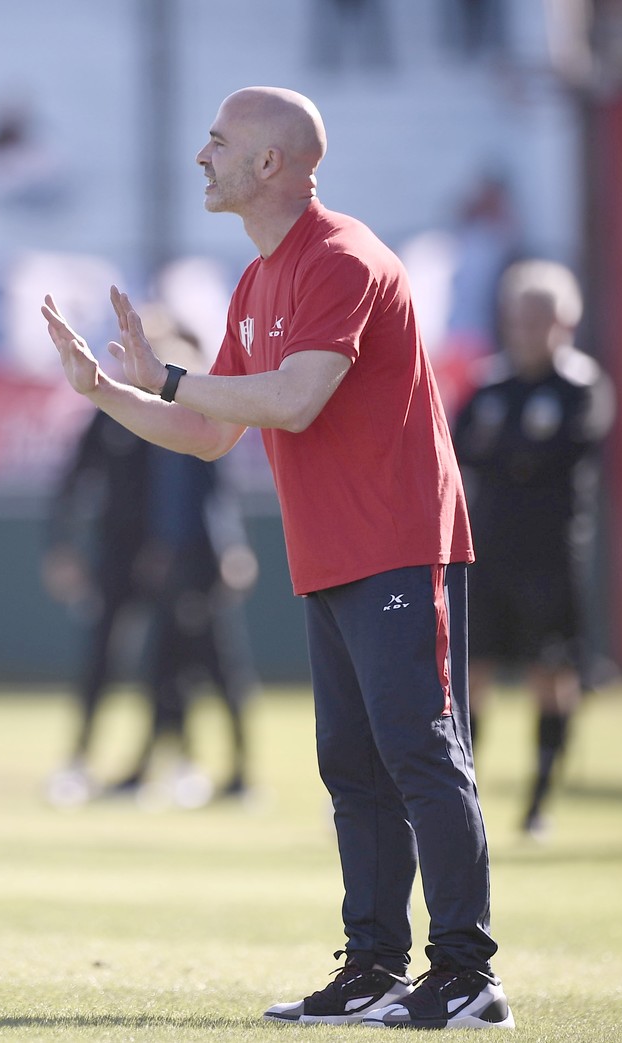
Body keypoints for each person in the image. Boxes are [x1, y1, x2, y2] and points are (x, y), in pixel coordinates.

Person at [41, 86, 511, 1030]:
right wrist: (103, 393)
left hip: (398, 540)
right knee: (351, 761)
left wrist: (166, 374)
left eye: (218, 141)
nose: (202, 155)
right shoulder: (257, 281)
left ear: (270, 164)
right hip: (334, 551)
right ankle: (375, 963)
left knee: (419, 748)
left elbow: (293, 400)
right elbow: (209, 431)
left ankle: (466, 972)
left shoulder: (343, 258)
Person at [452, 259, 614, 839]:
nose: (527, 331)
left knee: (552, 673)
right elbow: (458, 447)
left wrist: (511, 460)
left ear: (565, 322)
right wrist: (514, 460)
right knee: (473, 675)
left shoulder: (581, 385)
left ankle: (538, 803)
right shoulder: (490, 385)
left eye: (539, 320)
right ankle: (464, 797)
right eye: (518, 319)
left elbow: (563, 452)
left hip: (551, 556)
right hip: (489, 553)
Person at [108, 314, 261, 806]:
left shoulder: (202, 419)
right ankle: (155, 767)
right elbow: (157, 503)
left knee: (219, 670)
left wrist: (231, 551)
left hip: (202, 565)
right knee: (164, 668)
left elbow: (216, 496)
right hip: (172, 563)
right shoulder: (155, 428)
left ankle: (240, 775)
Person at [41, 406, 155, 806]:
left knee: (174, 663)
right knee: (100, 659)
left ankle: (158, 763)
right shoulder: (111, 412)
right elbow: (71, 480)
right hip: (115, 557)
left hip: (170, 557)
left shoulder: (184, 405)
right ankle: (79, 759)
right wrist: (61, 545)